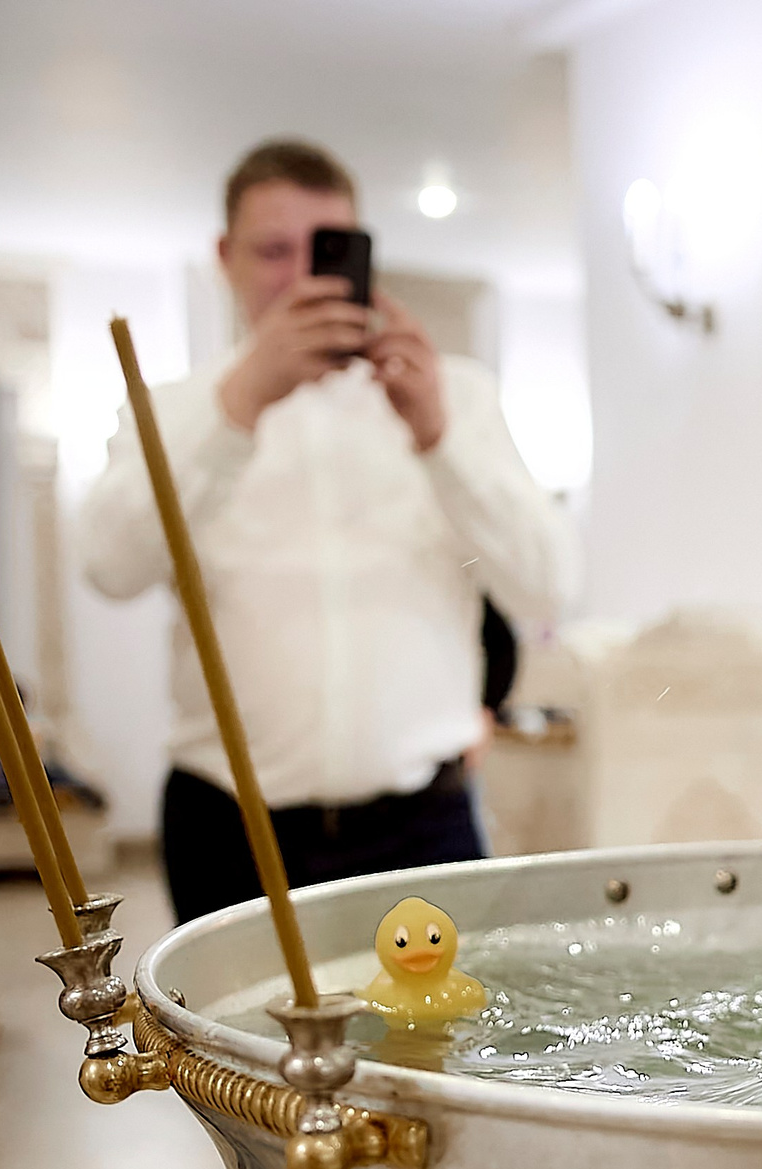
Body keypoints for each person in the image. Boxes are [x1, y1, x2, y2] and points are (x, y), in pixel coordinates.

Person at [82, 138, 577, 925]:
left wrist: (439, 439)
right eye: (274, 251)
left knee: (429, 1048)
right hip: (230, 830)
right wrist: (238, 406)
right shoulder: (176, 408)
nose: (301, 277)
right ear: (225, 256)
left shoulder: (457, 397)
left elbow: (547, 584)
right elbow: (109, 565)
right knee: (232, 1052)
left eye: (325, 249)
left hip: (424, 824)